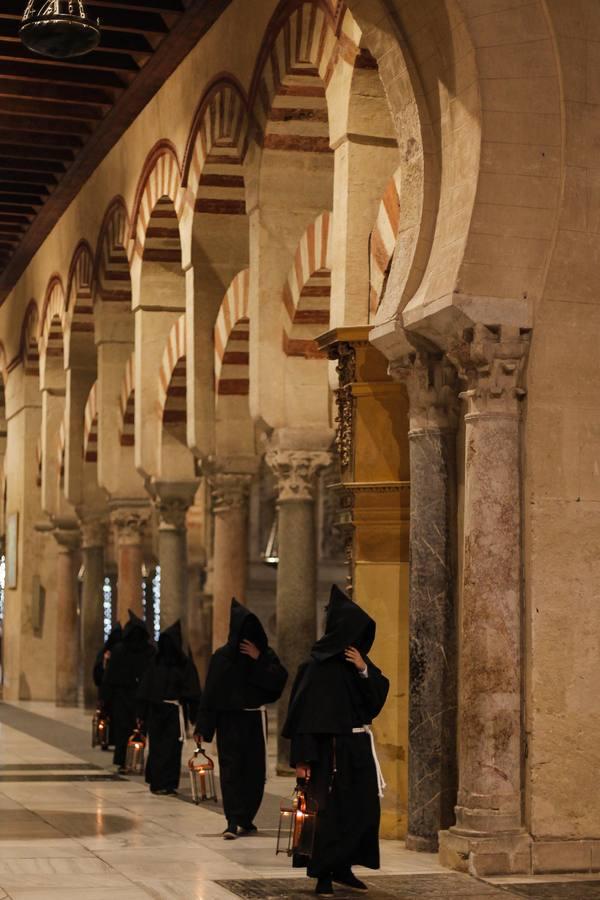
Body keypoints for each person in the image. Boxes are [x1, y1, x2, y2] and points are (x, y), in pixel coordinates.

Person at [282, 585, 389, 897]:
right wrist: (302, 761)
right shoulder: (314, 668)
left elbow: (374, 702)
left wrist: (364, 669)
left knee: (362, 811)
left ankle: (345, 866)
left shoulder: (358, 667)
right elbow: (302, 719)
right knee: (326, 815)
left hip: (357, 751)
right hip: (326, 754)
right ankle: (323, 874)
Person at [195, 599, 288, 839]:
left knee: (255, 772)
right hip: (229, 722)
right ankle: (233, 820)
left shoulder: (265, 655)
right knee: (231, 770)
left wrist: (259, 659)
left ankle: (246, 818)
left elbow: (278, 681)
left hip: (255, 721)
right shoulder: (222, 658)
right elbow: (211, 694)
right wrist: (203, 728)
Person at [137, 620, 202, 795]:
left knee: (170, 749)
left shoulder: (179, 663)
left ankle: (167, 783)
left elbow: (191, 691)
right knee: (161, 749)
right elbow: (192, 692)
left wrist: (142, 714)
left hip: (171, 712)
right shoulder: (159, 663)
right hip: (163, 712)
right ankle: (160, 782)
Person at [101, 610, 155, 773]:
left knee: (123, 731)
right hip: (141, 697)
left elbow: (109, 679)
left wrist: (106, 701)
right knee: (139, 729)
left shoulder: (119, 650)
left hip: (121, 698)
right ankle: (137, 761)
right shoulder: (150, 651)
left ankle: (124, 761)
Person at [92, 622, 122, 749]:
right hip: (107, 690)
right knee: (106, 716)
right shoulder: (104, 652)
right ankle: (104, 739)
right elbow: (98, 672)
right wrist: (104, 662)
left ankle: (114, 740)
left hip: (118, 691)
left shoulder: (121, 651)